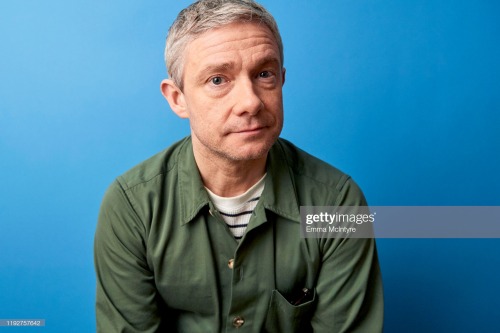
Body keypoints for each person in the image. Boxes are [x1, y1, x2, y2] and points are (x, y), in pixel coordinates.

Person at [94, 0, 384, 332]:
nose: (250, 101)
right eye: (218, 80)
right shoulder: (131, 207)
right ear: (177, 98)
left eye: (264, 74)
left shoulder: (338, 205)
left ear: (282, 79)